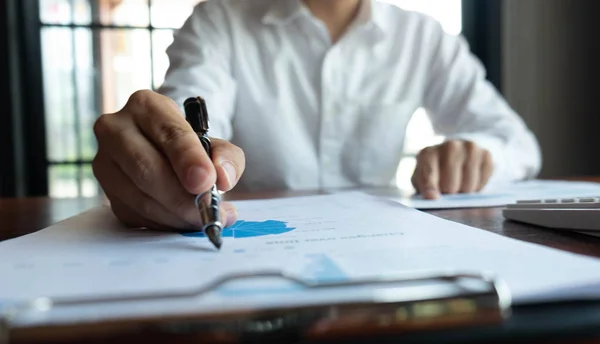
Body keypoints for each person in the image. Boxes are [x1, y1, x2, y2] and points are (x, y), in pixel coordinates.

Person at [92, 0, 542, 231]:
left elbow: (519, 145)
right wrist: (166, 154)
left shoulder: (424, 38)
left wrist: (479, 155)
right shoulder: (219, 20)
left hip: (379, 270)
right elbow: (190, 114)